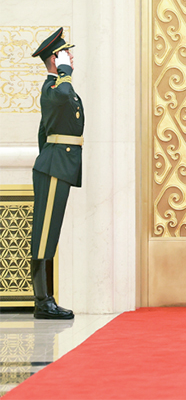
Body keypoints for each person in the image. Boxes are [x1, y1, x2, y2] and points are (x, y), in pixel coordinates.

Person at [29, 27, 81, 319]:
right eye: (65, 54)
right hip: (54, 167)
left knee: (51, 232)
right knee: (44, 234)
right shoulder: (54, 88)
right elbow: (63, 93)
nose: (70, 57)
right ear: (54, 59)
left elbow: (43, 132)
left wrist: (47, 160)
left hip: (56, 165)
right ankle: (42, 301)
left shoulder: (59, 88)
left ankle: (46, 300)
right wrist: (64, 72)